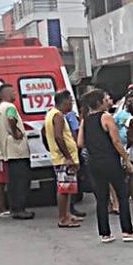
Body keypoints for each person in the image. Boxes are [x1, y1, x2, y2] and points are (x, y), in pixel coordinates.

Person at [77, 89, 133, 243]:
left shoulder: (85, 120)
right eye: (106, 98)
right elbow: (116, 141)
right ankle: (127, 231)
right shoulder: (106, 117)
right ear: (100, 102)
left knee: (101, 198)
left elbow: (80, 143)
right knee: (122, 195)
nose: (109, 100)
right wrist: (126, 159)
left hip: (93, 162)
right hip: (109, 160)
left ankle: (105, 233)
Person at [44, 90, 81, 228]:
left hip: (60, 157)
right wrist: (68, 157)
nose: (71, 104)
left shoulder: (51, 114)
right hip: (63, 159)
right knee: (63, 188)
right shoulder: (58, 115)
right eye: (70, 101)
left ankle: (67, 214)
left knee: (68, 187)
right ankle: (62, 218)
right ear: (64, 101)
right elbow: (58, 136)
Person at [0, 85, 34, 220]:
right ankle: (20, 209)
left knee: (13, 182)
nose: (15, 93)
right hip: (17, 150)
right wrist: (16, 132)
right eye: (12, 91)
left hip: (8, 150)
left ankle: (14, 208)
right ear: (6, 94)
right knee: (21, 181)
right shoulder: (10, 108)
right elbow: (11, 119)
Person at [64, 106, 87, 219]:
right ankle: (70, 208)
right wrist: (77, 147)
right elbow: (75, 131)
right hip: (72, 151)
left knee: (66, 181)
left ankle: (68, 209)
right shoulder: (70, 115)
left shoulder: (55, 114)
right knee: (73, 179)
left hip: (62, 152)